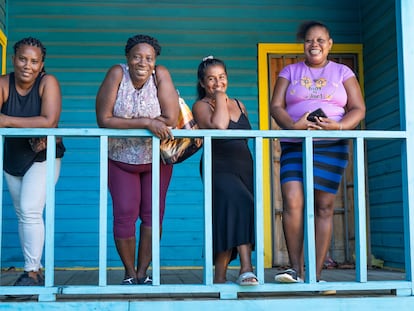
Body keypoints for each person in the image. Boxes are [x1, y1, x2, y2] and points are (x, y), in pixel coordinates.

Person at [270, 21, 365, 284]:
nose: (315, 45)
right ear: (304, 45)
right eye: (310, 40)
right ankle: (295, 269)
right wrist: (292, 125)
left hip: (331, 144)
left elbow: (358, 108)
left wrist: (340, 125)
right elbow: (275, 106)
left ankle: (316, 274)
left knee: (324, 207)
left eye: (320, 40)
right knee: (292, 201)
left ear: (330, 44)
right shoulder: (289, 71)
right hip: (295, 143)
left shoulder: (343, 72)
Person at [95, 34, 179, 285]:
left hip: (156, 159)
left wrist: (143, 124)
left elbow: (171, 117)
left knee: (153, 215)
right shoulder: (116, 74)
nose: (143, 62)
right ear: (128, 58)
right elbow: (104, 119)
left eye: (149, 58)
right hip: (120, 158)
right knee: (124, 214)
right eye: (137, 57)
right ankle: (130, 273)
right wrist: (147, 123)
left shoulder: (160, 74)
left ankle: (143, 272)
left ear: (155, 61)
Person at [0, 37, 65, 287]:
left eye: (34, 61)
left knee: (30, 210)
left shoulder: (48, 82)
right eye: (23, 59)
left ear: (42, 64)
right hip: (12, 156)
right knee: (23, 214)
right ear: (13, 59)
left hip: (43, 155)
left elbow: (48, 121)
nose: (28, 65)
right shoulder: (4, 82)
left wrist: (6, 120)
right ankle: (35, 268)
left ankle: (31, 272)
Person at [192, 56, 258, 286]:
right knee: (241, 204)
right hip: (218, 166)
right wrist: (219, 97)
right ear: (202, 83)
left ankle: (219, 278)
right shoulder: (201, 106)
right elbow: (220, 127)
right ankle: (247, 268)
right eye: (211, 79)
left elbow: (245, 138)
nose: (217, 82)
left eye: (221, 77)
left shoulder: (240, 105)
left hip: (243, 167)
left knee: (228, 217)